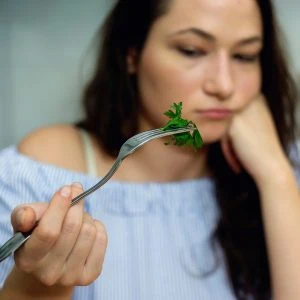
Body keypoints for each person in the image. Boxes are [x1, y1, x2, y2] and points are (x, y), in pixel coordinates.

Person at [0, 0, 299, 299]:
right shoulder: (38, 175)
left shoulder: (284, 171)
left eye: (245, 56)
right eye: (192, 50)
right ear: (132, 53)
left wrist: (276, 177)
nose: (224, 85)